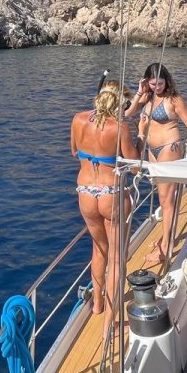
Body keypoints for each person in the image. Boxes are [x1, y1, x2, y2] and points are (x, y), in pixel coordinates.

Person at [126, 63, 187, 267]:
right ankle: (165, 239)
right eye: (152, 84)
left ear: (167, 80)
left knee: (166, 200)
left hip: (169, 148)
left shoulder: (174, 100)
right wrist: (139, 91)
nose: (157, 87)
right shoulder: (147, 96)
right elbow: (128, 113)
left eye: (160, 83)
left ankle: (166, 249)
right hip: (152, 152)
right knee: (163, 198)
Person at [71, 82, 139, 319]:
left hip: (86, 192)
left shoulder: (78, 120)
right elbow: (134, 168)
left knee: (99, 250)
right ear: (120, 103)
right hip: (112, 193)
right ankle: (111, 320)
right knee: (117, 257)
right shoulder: (120, 127)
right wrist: (138, 138)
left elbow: (74, 151)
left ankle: (97, 304)